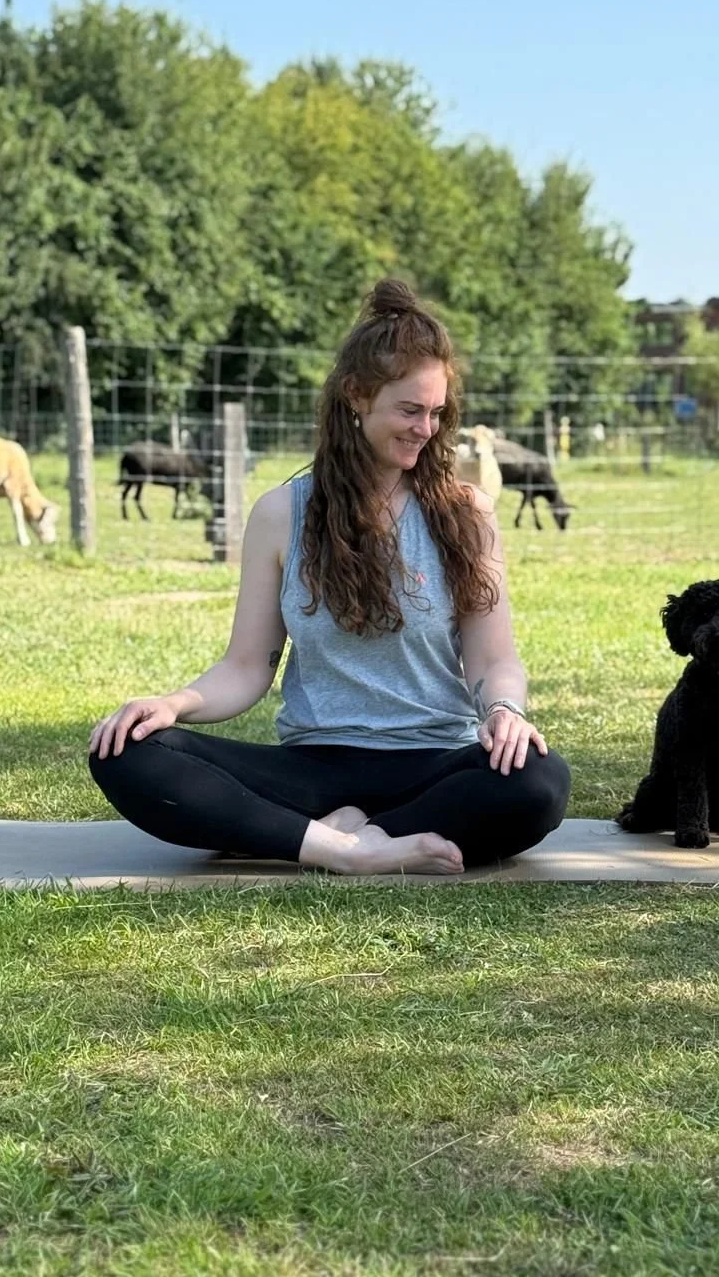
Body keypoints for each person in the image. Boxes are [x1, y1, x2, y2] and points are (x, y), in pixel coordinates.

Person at [88, 278, 571, 876]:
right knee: (126, 752)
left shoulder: (466, 513)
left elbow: (495, 660)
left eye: (436, 413)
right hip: (313, 768)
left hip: (435, 763)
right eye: (409, 410)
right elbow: (246, 668)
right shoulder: (281, 514)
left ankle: (344, 835)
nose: (425, 429)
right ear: (356, 396)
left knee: (539, 780)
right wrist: (170, 704)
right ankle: (344, 848)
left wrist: (504, 711)